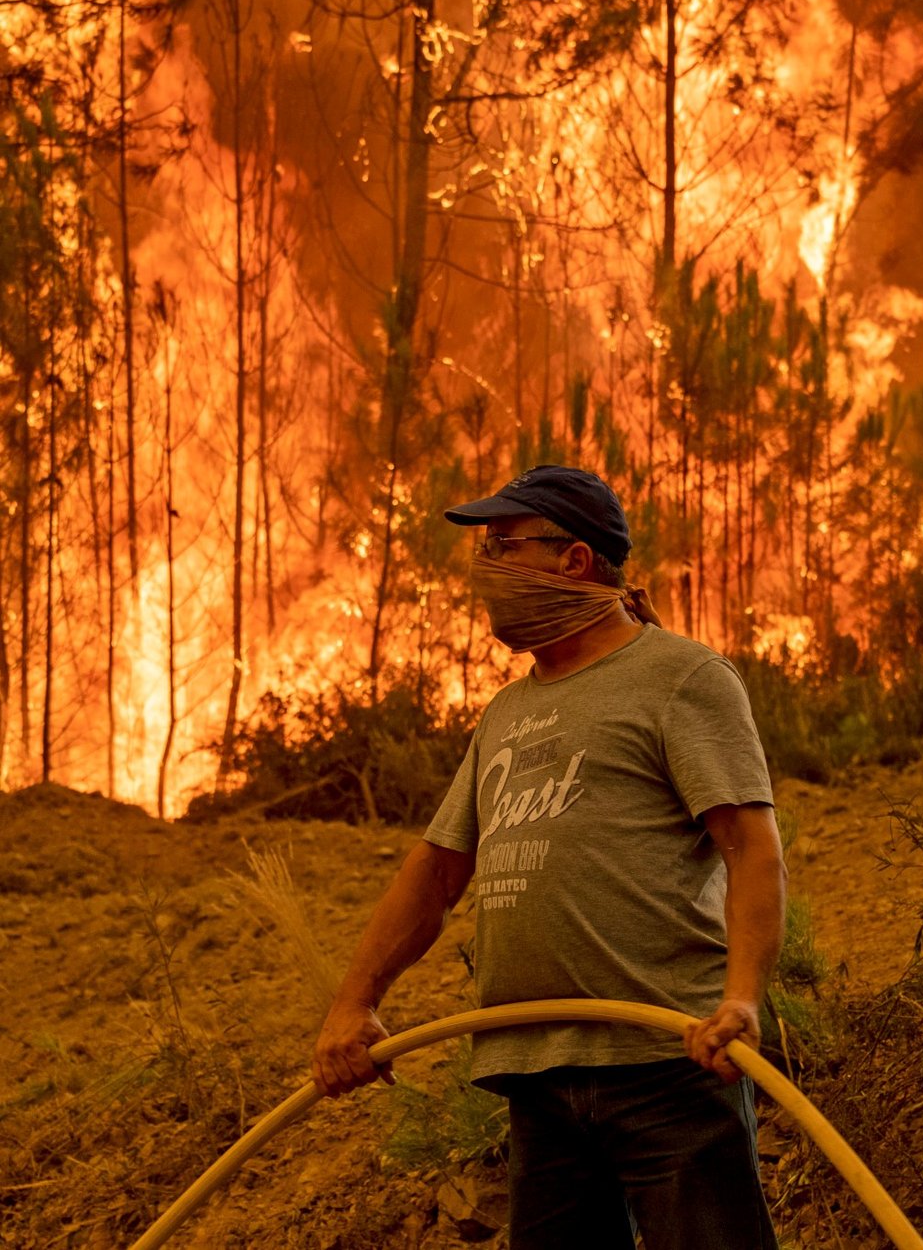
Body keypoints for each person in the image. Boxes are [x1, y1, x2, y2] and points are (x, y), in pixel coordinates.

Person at [312, 465, 786, 1249]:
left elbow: (751, 847)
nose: (485, 573)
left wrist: (739, 998)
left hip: (664, 1061)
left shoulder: (679, 677)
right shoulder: (508, 710)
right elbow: (435, 871)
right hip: (534, 1066)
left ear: (575, 561)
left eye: (503, 548)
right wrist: (354, 1000)